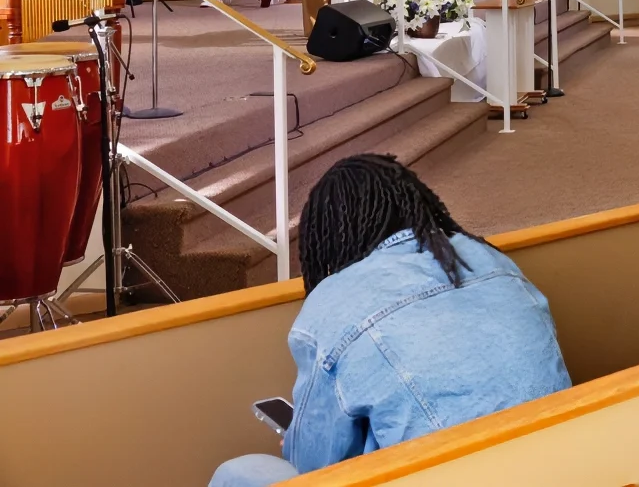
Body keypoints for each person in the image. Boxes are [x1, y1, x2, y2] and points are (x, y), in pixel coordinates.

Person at [206, 156, 571, 487]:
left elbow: (315, 464)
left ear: (330, 237)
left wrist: (296, 442)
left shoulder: (333, 301)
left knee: (238, 472)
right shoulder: (490, 259)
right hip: (563, 466)